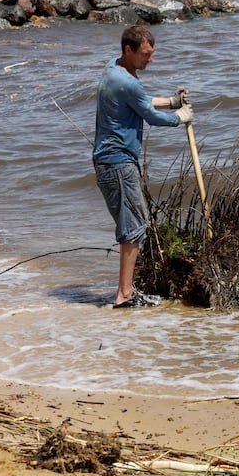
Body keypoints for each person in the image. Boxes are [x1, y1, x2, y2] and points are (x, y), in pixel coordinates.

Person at [93, 25, 193, 308]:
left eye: (152, 54)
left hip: (110, 162)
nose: (151, 60)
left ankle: (126, 291)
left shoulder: (114, 68)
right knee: (134, 227)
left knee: (132, 225)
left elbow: (138, 103)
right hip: (118, 163)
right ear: (128, 50)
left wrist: (171, 101)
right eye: (146, 55)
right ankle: (124, 295)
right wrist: (179, 117)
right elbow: (150, 116)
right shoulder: (128, 82)